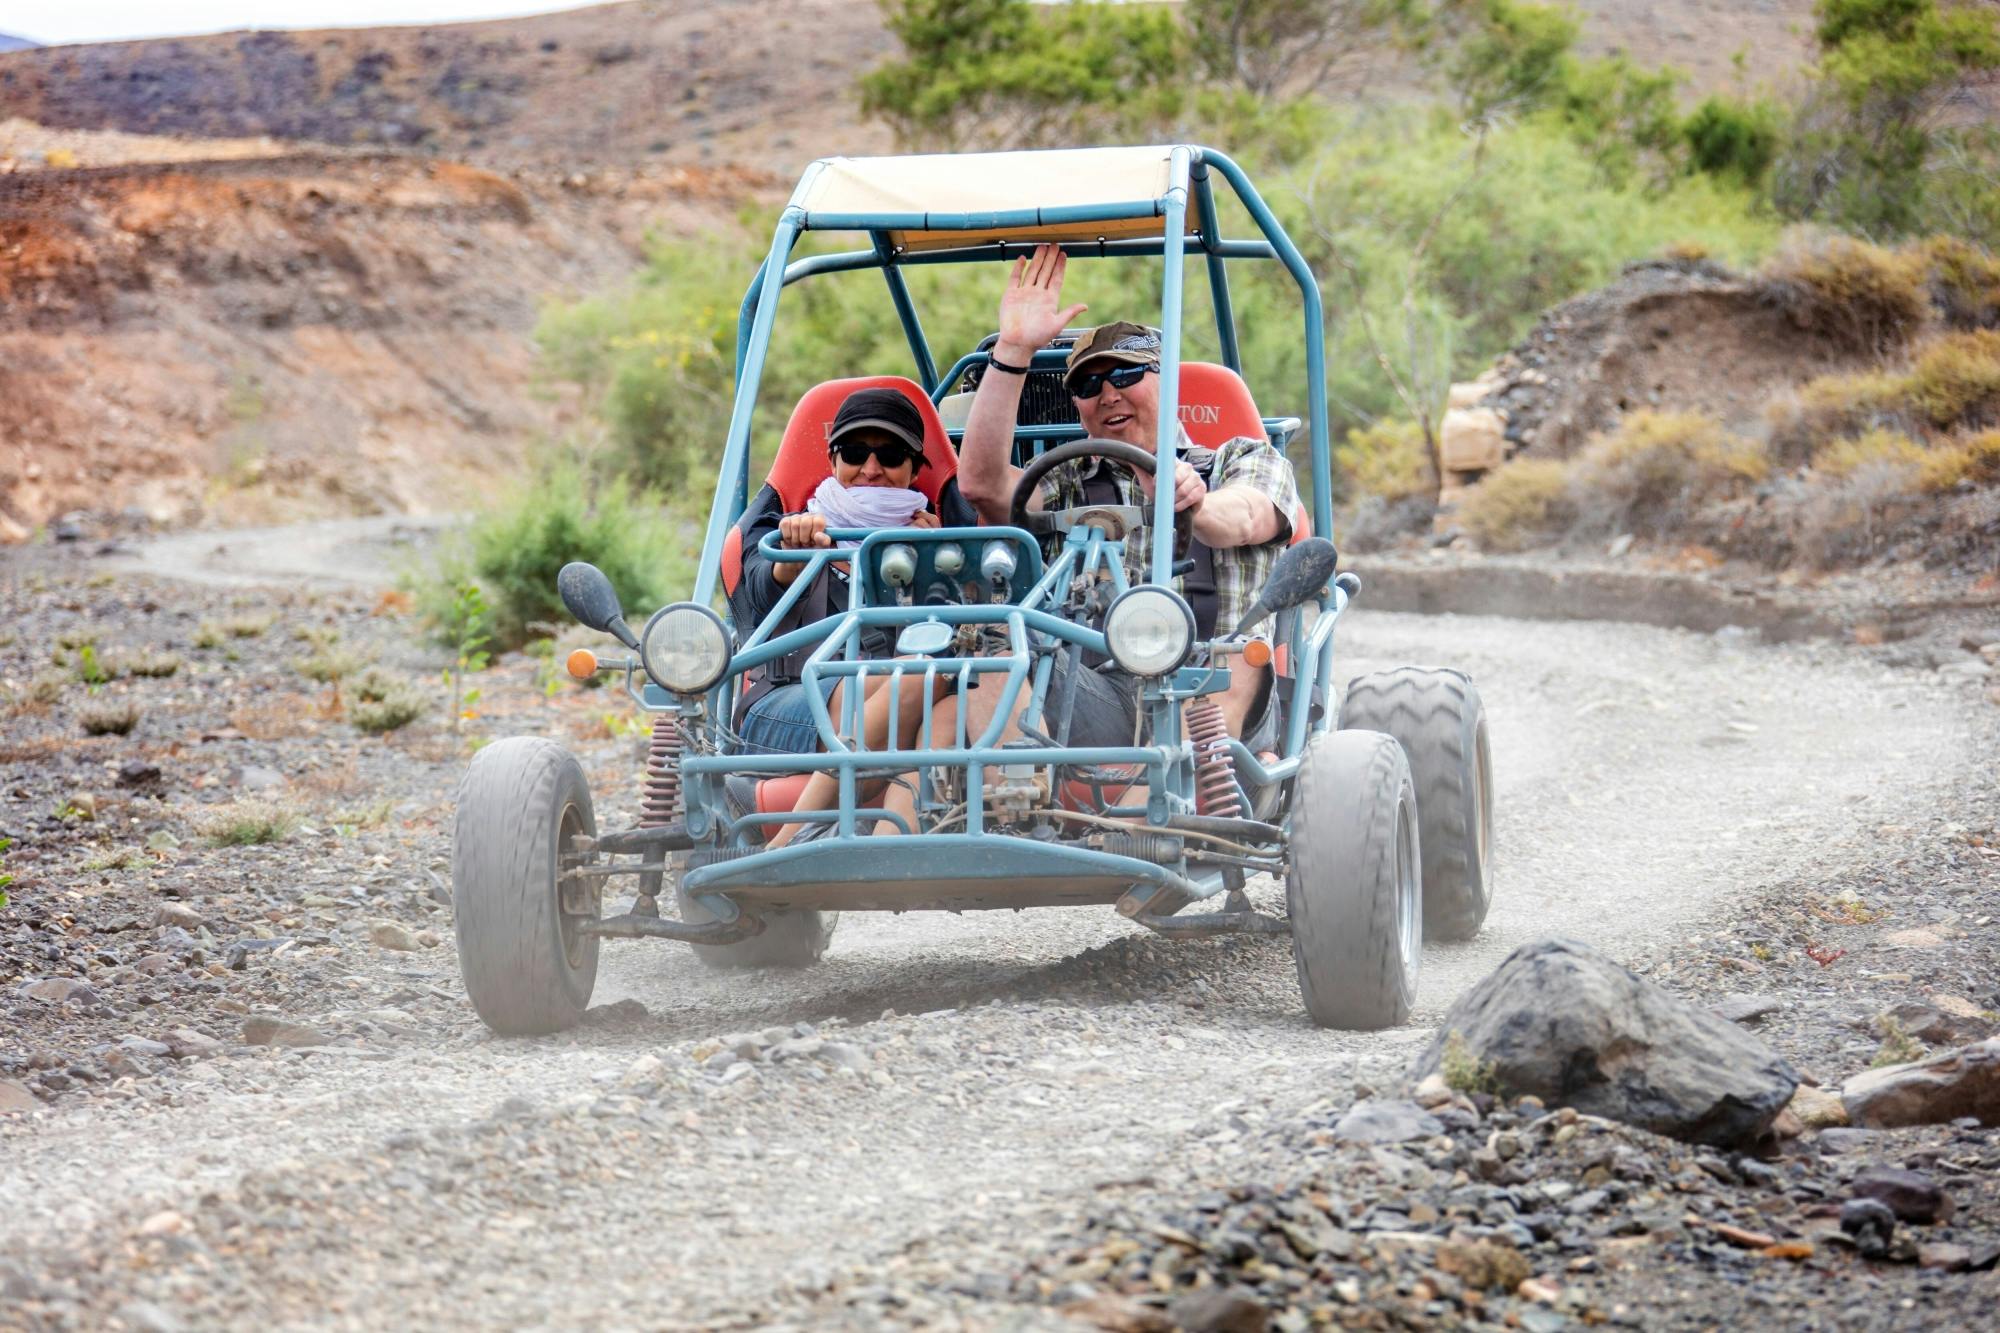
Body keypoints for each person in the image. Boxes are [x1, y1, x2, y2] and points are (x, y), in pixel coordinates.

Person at [955, 243, 1303, 750]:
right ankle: (1016, 790)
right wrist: (1012, 351)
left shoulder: (1240, 459)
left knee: (1236, 657)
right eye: (1089, 385)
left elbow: (1246, 517)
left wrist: (1194, 503)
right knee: (992, 641)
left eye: (1126, 374)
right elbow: (982, 487)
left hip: (1213, 682)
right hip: (1102, 691)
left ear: (1168, 383)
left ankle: (1164, 794)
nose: (1109, 394)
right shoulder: (1067, 478)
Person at [728, 385, 978, 844]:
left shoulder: (940, 541)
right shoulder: (787, 529)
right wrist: (794, 559)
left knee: (946, 707)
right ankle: (790, 840)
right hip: (790, 703)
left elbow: (975, 631)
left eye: (891, 456)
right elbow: (759, 592)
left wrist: (939, 566)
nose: (871, 469)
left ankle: (887, 851)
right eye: (855, 453)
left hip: (899, 704)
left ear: (915, 469)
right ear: (833, 461)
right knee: (925, 678)